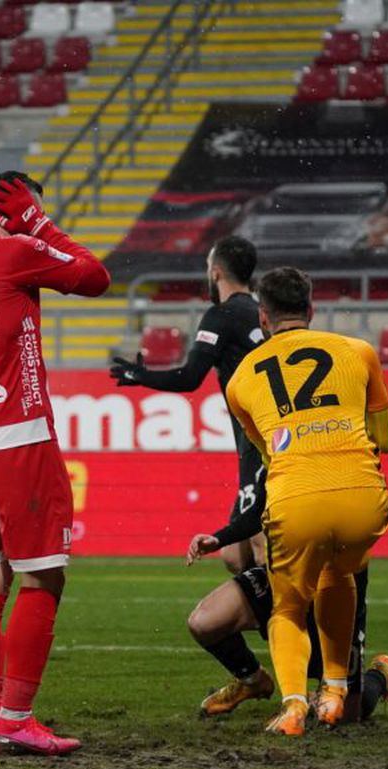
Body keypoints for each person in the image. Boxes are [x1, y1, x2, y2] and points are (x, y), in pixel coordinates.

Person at [0, 171, 110, 757]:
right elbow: (94, 277)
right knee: (44, 576)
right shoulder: (15, 250)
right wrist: (38, 224)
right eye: (31, 208)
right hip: (19, 438)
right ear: (16, 213)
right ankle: (16, 717)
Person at [223, 266, 388, 735]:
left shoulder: (239, 380)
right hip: (364, 499)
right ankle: (336, 693)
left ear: (263, 316)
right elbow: (387, 438)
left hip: (298, 499)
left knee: (287, 607)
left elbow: (267, 454)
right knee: (340, 575)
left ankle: (296, 704)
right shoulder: (358, 352)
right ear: (311, 309)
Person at [183, 470, 388, 726]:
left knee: (347, 714)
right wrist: (221, 538)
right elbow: (255, 516)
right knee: (203, 621)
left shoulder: (346, 458)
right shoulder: (277, 450)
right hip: (284, 574)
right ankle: (254, 682)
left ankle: (380, 676)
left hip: (337, 583)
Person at [109, 235, 266, 573]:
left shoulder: (222, 315)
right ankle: (271, 614)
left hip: (260, 440)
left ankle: (291, 622)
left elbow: (190, 377)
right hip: (273, 434)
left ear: (216, 274)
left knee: (260, 540)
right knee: (234, 555)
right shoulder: (261, 313)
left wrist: (140, 376)